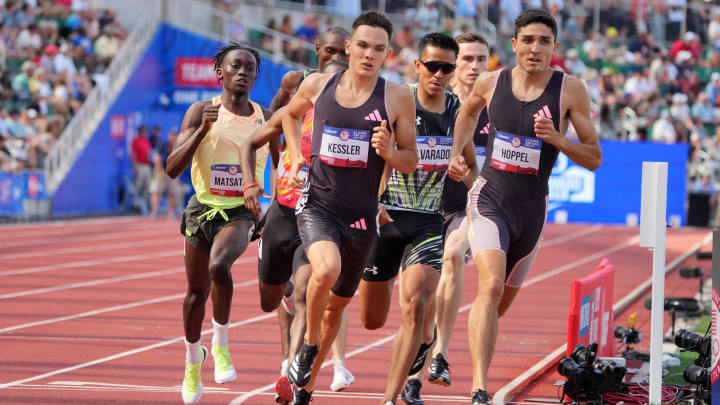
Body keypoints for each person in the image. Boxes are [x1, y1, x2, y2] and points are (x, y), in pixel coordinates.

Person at [448, 9, 602, 405]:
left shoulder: (570, 90)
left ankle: (457, 341)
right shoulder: (490, 81)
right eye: (528, 40)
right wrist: (456, 153)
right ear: (514, 44)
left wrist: (557, 139)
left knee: (499, 304)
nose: (535, 48)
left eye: (544, 41)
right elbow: (466, 114)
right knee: (490, 282)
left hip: (531, 210)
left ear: (555, 47)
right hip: (489, 198)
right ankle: (480, 386)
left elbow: (594, 156)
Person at [281, 11, 418, 405]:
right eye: (362, 46)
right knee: (324, 269)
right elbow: (290, 116)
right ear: (348, 47)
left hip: (362, 218)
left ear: (388, 53)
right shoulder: (318, 84)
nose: (369, 55)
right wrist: (294, 155)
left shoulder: (396, 97)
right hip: (318, 204)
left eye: (378, 49)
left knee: (334, 312)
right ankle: (307, 349)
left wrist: (389, 151)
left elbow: (410, 159)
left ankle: (304, 390)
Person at [357, 32, 477, 405]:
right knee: (372, 320)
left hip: (428, 221)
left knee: (417, 305)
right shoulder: (397, 100)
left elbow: (473, 171)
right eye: (432, 66)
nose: (439, 74)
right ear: (418, 66)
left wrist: (463, 173)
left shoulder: (459, 111)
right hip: (386, 216)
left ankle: (390, 398)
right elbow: (367, 157)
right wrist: (370, 201)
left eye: (447, 67)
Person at [243, 58, 358, 405]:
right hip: (282, 215)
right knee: (269, 300)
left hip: (318, 218)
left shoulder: (352, 127)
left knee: (307, 293)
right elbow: (250, 143)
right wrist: (251, 183)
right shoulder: (292, 117)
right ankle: (285, 287)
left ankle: (290, 372)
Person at [165, 43, 272, 405]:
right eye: (235, 66)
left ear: (256, 76)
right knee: (195, 295)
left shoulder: (264, 116)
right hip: (201, 211)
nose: (243, 72)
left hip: (241, 212)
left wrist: (276, 207)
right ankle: (193, 362)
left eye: (250, 68)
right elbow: (172, 168)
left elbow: (289, 163)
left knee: (219, 265)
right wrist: (200, 133)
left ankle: (221, 343)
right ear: (221, 73)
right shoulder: (200, 111)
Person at [399, 32, 491, 405]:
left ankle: (440, 353)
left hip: (468, 207)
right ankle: (417, 369)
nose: (474, 67)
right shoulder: (432, 104)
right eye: (466, 59)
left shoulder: (496, 108)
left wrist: (469, 176)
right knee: (417, 299)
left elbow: (481, 175)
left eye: (481, 60)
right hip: (421, 209)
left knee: (452, 256)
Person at [150, 127, 185, 218]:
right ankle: (154, 212)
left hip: (171, 171)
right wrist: (162, 171)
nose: (174, 136)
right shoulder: (163, 145)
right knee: (156, 191)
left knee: (172, 192)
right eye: (172, 134)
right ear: (169, 135)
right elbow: (157, 158)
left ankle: (171, 212)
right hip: (160, 170)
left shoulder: (178, 147)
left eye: (175, 135)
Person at [131, 125, 152, 214]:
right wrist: (134, 165)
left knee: (147, 186)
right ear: (140, 132)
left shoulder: (147, 141)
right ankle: (135, 204)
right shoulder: (136, 141)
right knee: (138, 185)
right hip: (139, 165)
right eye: (144, 131)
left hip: (147, 166)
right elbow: (133, 153)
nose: (145, 133)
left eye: (146, 131)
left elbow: (150, 153)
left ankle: (142, 204)